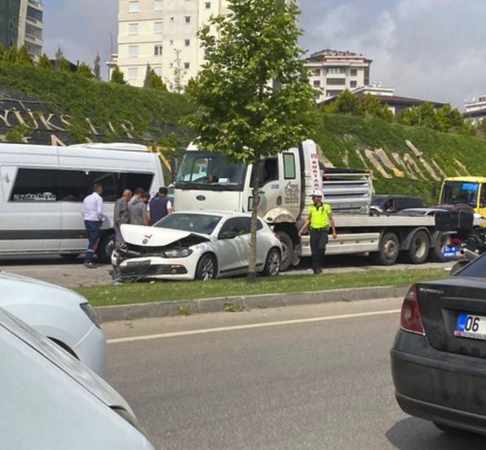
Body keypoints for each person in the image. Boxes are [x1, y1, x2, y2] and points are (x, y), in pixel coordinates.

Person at [298, 189, 337, 274]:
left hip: (323, 230)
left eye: (314, 197)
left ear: (319, 198)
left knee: (321, 247)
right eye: (313, 197)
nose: (313, 199)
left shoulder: (326, 207)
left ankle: (320, 263)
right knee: (314, 250)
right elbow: (308, 219)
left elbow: (331, 219)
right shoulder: (311, 207)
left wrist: (334, 231)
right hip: (314, 231)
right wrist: (302, 229)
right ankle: (316, 268)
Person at [82, 184, 104, 268]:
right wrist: (101, 219)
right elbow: (99, 212)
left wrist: (86, 217)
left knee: (91, 240)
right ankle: (88, 260)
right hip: (94, 221)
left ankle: (88, 259)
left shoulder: (87, 198)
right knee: (93, 242)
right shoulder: (98, 198)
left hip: (87, 220)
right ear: (99, 189)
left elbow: (82, 211)